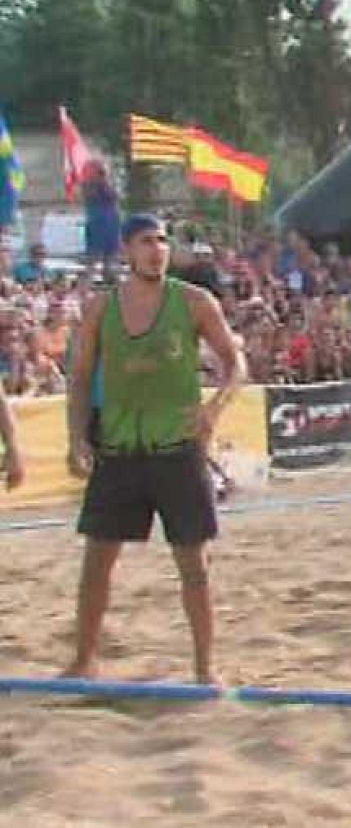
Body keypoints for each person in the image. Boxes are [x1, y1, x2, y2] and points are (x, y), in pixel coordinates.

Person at [61, 213, 246, 684]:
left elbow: (235, 361)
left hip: (176, 448)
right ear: (127, 249)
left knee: (193, 564)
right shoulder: (102, 308)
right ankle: (84, 660)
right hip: (120, 448)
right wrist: (76, 437)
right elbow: (80, 377)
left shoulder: (193, 302)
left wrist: (215, 408)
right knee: (96, 563)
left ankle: (205, 669)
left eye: (163, 241)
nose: (157, 249)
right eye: (147, 241)